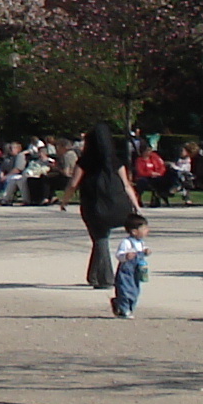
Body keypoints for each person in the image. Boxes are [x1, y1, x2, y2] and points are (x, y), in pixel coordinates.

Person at [76, 123, 139, 288]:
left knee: (100, 239)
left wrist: (64, 200)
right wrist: (135, 204)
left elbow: (72, 183)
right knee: (100, 239)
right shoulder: (115, 161)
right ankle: (93, 275)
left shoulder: (85, 161)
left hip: (93, 203)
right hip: (115, 204)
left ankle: (106, 278)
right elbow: (126, 185)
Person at [109, 215, 151, 319]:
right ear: (134, 231)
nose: (147, 231)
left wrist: (146, 251)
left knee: (134, 290)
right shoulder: (126, 242)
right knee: (125, 289)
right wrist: (125, 256)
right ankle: (124, 309)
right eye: (144, 229)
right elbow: (119, 255)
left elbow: (142, 251)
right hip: (126, 271)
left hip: (137, 270)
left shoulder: (141, 243)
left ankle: (126, 306)